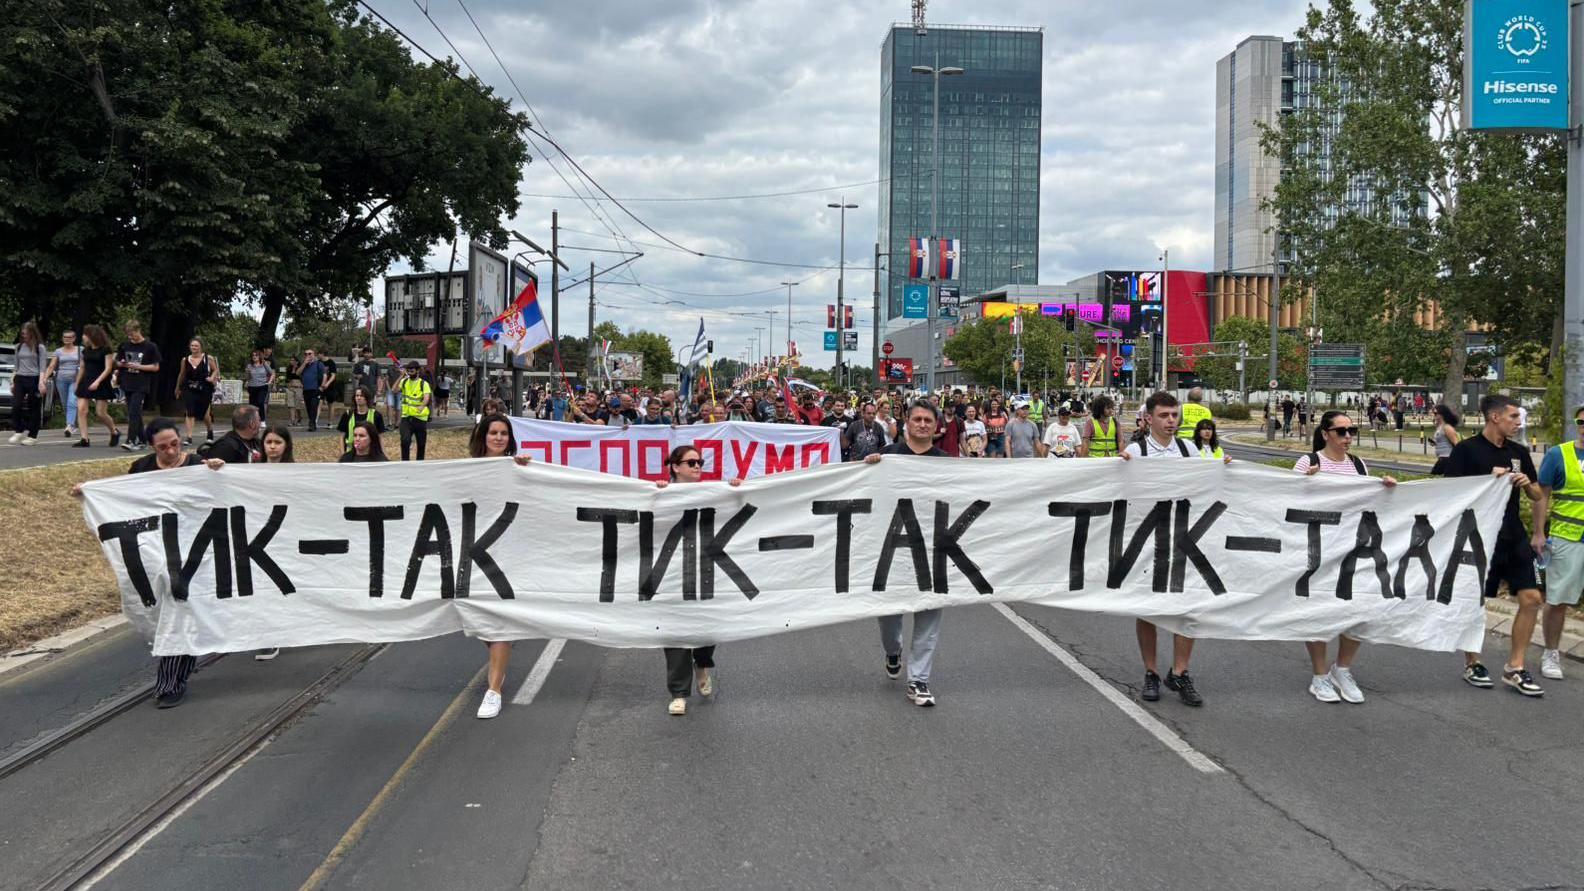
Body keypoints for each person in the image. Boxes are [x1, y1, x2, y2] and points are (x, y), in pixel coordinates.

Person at [71, 418, 223, 706]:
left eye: (175, 444)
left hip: (192, 554)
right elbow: (123, 499)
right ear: (153, 446)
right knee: (167, 612)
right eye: (162, 447)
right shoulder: (142, 469)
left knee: (178, 609)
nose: (170, 451)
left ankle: (170, 682)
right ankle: (180, 664)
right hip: (154, 554)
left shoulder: (196, 465)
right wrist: (89, 493)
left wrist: (215, 471)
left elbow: (216, 498)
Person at [1119, 391, 1228, 707]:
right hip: (1148, 541)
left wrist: (1224, 471)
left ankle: (1179, 672)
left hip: (1185, 539)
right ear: (1149, 418)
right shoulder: (1136, 451)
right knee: (1149, 610)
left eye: (1174, 415)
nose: (1171, 421)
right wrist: (1119, 468)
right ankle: (1151, 672)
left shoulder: (1188, 449)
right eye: (1164, 415)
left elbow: (1207, 486)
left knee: (1189, 608)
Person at [1444, 394, 1545, 696]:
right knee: (1476, 600)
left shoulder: (1519, 451)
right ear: (1494, 417)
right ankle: (1473, 662)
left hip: (1513, 536)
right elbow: (1449, 493)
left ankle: (1515, 667)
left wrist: (1528, 483)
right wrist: (1486, 480)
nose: (1519, 423)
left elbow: (1538, 496)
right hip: (1478, 536)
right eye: (1514, 417)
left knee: (1532, 598)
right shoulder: (1467, 450)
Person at [1294, 411, 1397, 703]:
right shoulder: (1309, 462)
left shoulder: (1358, 464)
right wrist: (1304, 482)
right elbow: (1289, 501)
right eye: (1341, 431)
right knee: (1318, 613)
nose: (1348, 436)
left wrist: (1385, 488)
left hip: (1354, 548)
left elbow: (1368, 501)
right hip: (1319, 549)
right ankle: (1319, 676)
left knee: (1360, 611)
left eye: (1351, 430)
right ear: (1325, 434)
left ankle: (1343, 668)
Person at [862, 400, 949, 707]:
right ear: (907, 423)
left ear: (936, 426)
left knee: (929, 618)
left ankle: (919, 680)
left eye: (928, 420)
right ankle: (892, 651)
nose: (923, 424)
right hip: (893, 553)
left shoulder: (946, 462)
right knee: (888, 619)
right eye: (917, 419)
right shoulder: (888, 456)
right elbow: (866, 493)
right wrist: (868, 468)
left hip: (932, 551)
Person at [652, 444, 742, 715]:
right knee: (675, 631)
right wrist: (654, 494)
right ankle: (679, 692)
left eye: (700, 462)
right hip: (670, 574)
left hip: (706, 570)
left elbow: (737, 511)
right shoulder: (661, 493)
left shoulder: (713, 492)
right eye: (691, 463)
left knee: (706, 625)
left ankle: (702, 662)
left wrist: (737, 489)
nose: (697, 466)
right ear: (675, 467)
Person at [467, 414, 535, 718]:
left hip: (508, 555)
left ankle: (493, 689)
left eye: (504, 433)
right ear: (483, 436)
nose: (498, 438)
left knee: (501, 624)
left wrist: (526, 472)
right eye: (493, 432)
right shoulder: (464, 470)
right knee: (482, 621)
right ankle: (499, 663)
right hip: (473, 554)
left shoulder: (517, 468)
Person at [1533, 405, 1584, 682]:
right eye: (1582, 422)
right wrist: (1538, 533)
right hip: (1568, 539)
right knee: (1558, 600)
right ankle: (1551, 652)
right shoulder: (1558, 454)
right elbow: (1542, 496)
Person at [112, 320, 161, 451]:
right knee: (134, 413)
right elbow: (117, 361)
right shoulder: (124, 345)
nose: (130, 337)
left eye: (132, 334)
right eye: (128, 334)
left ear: (138, 330)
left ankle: (131, 439)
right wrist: (121, 363)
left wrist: (139, 366)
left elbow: (155, 367)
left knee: (134, 411)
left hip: (141, 383)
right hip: (127, 381)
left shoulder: (150, 347)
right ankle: (144, 439)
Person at [73, 324, 121, 448]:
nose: (83, 337)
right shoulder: (85, 350)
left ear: (91, 336)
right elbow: (82, 368)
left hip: (101, 381)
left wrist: (97, 382)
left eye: (85, 335)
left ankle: (114, 431)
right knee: (82, 410)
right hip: (86, 381)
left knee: (101, 413)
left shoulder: (106, 350)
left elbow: (108, 368)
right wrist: (77, 383)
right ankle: (84, 438)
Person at [174, 338, 219, 445]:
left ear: (201, 347)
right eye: (192, 346)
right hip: (189, 388)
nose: (194, 348)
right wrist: (177, 388)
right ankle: (189, 437)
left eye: (196, 346)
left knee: (205, 414)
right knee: (189, 412)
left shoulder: (208, 358)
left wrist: (212, 377)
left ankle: (210, 431)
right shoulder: (185, 360)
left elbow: (215, 370)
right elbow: (182, 374)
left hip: (204, 388)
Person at [9, 321, 47, 444]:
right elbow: (16, 366)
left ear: (32, 333)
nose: (24, 336)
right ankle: (18, 431)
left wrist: (41, 382)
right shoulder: (19, 347)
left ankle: (32, 435)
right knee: (16, 406)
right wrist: (12, 382)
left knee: (34, 407)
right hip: (20, 378)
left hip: (34, 378)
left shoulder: (39, 347)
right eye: (22, 334)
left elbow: (42, 367)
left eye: (26, 334)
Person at [42, 328, 81, 439]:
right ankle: (73, 422)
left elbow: (84, 365)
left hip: (75, 379)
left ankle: (69, 426)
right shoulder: (58, 351)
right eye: (65, 337)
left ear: (74, 338)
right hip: (61, 380)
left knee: (72, 401)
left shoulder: (80, 350)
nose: (67, 339)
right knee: (65, 403)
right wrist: (45, 377)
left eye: (69, 337)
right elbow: (52, 366)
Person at [396, 361, 432, 460]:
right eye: (408, 371)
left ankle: (419, 463)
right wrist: (401, 376)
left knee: (421, 444)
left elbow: (426, 397)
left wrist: (422, 406)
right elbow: (394, 390)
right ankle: (405, 463)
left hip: (420, 418)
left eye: (412, 370)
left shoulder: (423, 384)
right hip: (406, 417)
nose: (410, 372)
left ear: (418, 370)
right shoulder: (404, 381)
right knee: (405, 441)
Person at [336, 386, 387, 453]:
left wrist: (384, 455)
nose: (359, 398)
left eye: (361, 396)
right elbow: (341, 437)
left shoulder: (376, 415)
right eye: (357, 396)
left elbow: (380, 437)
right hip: (351, 454)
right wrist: (343, 455)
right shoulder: (347, 415)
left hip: (371, 454)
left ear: (367, 398)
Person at [297, 349, 327, 431]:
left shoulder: (318, 364)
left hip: (315, 389)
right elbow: (297, 373)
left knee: (314, 407)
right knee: (308, 407)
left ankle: (312, 424)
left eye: (310, 353)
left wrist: (322, 386)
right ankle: (312, 422)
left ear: (314, 355)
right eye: (306, 354)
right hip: (306, 390)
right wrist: (304, 363)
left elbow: (324, 375)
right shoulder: (304, 365)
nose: (308, 355)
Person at [244, 350, 274, 424]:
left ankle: (262, 420)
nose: (254, 357)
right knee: (252, 405)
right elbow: (248, 378)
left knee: (260, 402)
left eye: (256, 355)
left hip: (262, 386)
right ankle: (254, 420)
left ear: (259, 356)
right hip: (252, 387)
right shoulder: (249, 366)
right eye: (253, 355)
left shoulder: (264, 364)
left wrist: (270, 381)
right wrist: (247, 373)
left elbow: (272, 373)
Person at [1430, 404, 1461, 476]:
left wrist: (1457, 459)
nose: (1434, 415)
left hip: (1447, 458)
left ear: (1442, 414)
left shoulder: (1447, 428)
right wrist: (1434, 443)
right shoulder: (1439, 427)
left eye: (1435, 413)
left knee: (1433, 477)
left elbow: (1457, 444)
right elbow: (1442, 441)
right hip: (1442, 458)